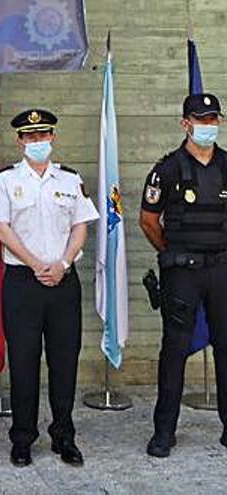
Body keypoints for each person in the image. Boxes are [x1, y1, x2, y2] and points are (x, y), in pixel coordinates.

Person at [0, 109, 98, 467]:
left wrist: (62, 264)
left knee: (65, 362)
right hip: (22, 282)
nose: (37, 142)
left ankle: (64, 436)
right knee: (23, 362)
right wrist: (36, 264)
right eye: (30, 137)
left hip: (64, 283)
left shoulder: (70, 179)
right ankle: (22, 438)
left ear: (53, 138)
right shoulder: (5, 180)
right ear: (20, 141)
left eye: (43, 136)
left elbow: (81, 226)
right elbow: (0, 228)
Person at [139, 93, 227, 458]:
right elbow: (148, 220)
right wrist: (173, 255)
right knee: (174, 352)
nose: (207, 125)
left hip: (222, 270)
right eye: (200, 119)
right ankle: (164, 431)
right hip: (182, 273)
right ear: (185, 124)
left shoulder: (226, 165)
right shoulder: (168, 169)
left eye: (213, 119)